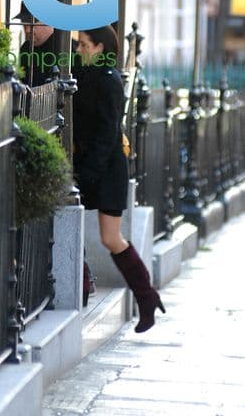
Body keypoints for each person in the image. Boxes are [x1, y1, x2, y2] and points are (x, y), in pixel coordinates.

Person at [72, 24, 165, 332]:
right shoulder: (83, 73)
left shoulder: (110, 81)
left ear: (99, 48)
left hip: (107, 169)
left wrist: (89, 175)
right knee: (89, 228)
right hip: (91, 165)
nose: (79, 50)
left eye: (84, 45)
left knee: (111, 238)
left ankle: (146, 298)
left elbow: (107, 133)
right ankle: (146, 298)